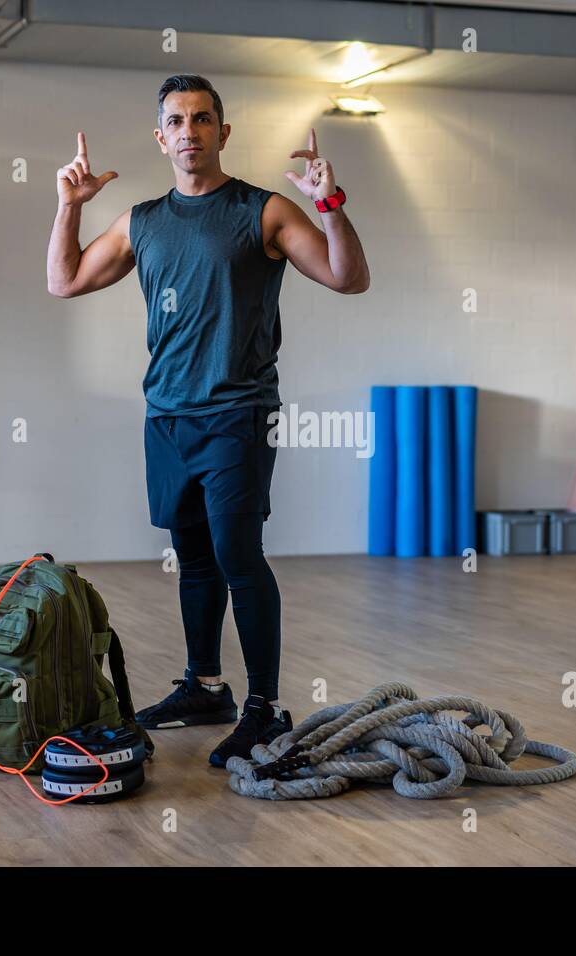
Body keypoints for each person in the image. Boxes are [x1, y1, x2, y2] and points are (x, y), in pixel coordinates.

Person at [46, 74, 370, 766]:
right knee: (193, 558)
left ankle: (264, 707)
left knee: (237, 555)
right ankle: (205, 685)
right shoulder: (143, 220)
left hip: (237, 414)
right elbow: (64, 278)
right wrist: (68, 206)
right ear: (160, 137)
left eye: (202, 119)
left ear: (223, 133)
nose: (189, 130)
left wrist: (330, 205)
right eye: (176, 120)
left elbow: (349, 279)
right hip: (167, 417)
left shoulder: (264, 211)